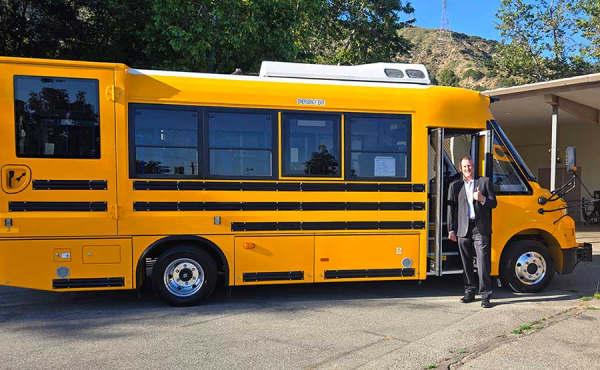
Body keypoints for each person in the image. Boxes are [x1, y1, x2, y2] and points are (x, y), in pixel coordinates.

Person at [447, 156, 497, 308]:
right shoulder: (455, 186)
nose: (467, 169)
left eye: (469, 166)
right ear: (460, 168)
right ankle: (469, 291)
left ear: (473, 167)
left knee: (482, 263)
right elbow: (451, 209)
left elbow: (493, 203)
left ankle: (486, 296)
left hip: (479, 228)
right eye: (464, 166)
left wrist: (482, 198)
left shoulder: (484, 182)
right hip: (463, 228)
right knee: (466, 262)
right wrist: (451, 229)